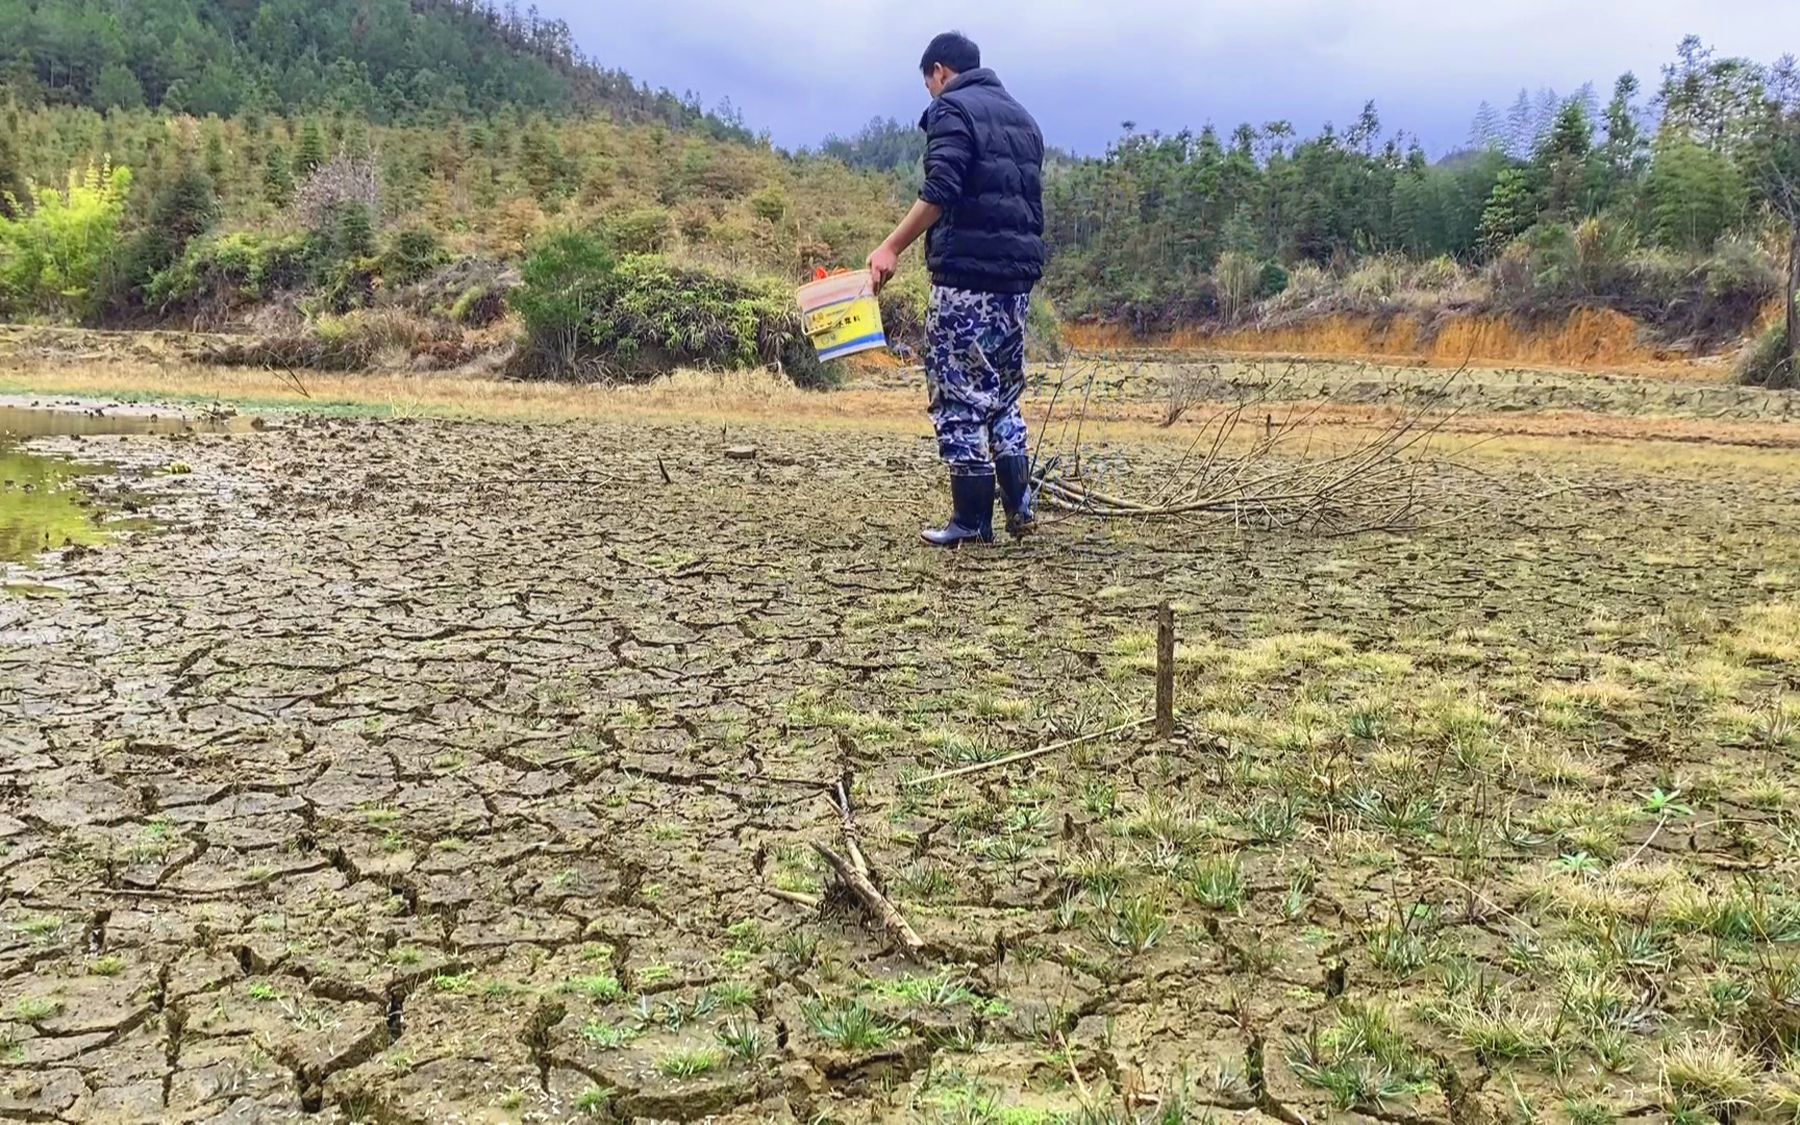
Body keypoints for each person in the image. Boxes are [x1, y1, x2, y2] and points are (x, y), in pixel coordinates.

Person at [868, 31, 1046, 547]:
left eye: (929, 84)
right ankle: (1020, 508)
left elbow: (940, 191)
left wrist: (891, 248)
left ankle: (971, 521)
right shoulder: (1023, 119)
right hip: (1015, 285)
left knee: (958, 396)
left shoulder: (953, 110)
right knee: (1004, 397)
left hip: (966, 282)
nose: (931, 95)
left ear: (939, 72)